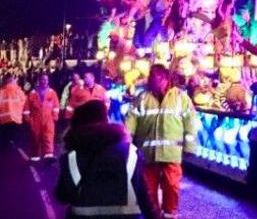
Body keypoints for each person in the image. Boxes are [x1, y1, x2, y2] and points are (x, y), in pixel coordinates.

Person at [55, 100, 161, 219]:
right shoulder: (130, 153)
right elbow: (144, 197)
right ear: (106, 121)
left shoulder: (72, 158)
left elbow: (62, 196)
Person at [125, 65, 198, 219]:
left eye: (155, 77)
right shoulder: (142, 98)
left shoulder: (181, 97)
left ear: (165, 79)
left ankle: (169, 215)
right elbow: (130, 122)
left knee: (172, 188)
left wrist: (190, 146)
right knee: (148, 191)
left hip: (171, 155)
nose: (151, 80)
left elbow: (191, 122)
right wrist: (127, 145)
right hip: (147, 156)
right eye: (151, 77)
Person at [26, 72, 60, 161]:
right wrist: (28, 119)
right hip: (35, 118)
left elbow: (56, 106)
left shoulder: (52, 93)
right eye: (42, 79)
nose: (44, 81)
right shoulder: (32, 93)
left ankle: (48, 154)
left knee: (48, 136)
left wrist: (54, 117)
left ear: (48, 81)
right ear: (39, 80)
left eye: (46, 79)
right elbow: (27, 107)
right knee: (35, 137)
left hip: (48, 119)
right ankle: (35, 155)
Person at [0, 74, 25, 149]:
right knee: (15, 136)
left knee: (5, 138)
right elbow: (24, 102)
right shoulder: (18, 91)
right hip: (17, 118)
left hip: (4, 119)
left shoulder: (2, 92)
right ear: (11, 80)